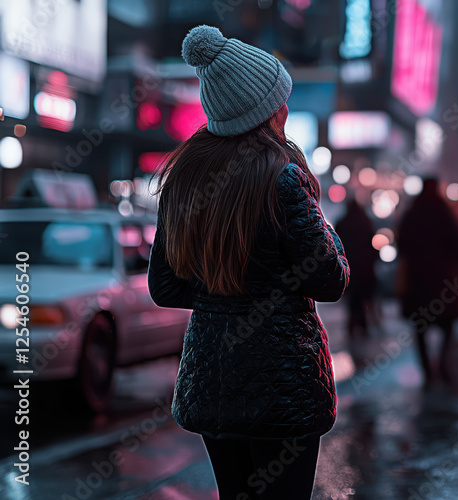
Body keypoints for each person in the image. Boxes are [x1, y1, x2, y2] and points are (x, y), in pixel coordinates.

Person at [148, 25, 349, 500]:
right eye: (280, 98)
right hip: (282, 383)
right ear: (265, 110)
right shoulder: (283, 176)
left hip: (213, 379)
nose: (286, 106)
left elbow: (165, 287)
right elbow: (330, 278)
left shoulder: (183, 178)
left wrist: (225, 294)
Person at [395, 177, 458, 384]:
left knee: (420, 328)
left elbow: (401, 246)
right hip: (443, 283)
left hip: (417, 283)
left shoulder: (411, 215)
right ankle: (443, 365)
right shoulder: (444, 214)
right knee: (448, 326)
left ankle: (427, 372)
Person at [335, 194, 379, 340]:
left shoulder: (342, 223)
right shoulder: (365, 222)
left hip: (349, 268)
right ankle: (362, 326)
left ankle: (355, 326)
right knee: (362, 298)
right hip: (364, 268)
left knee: (353, 299)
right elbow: (372, 245)